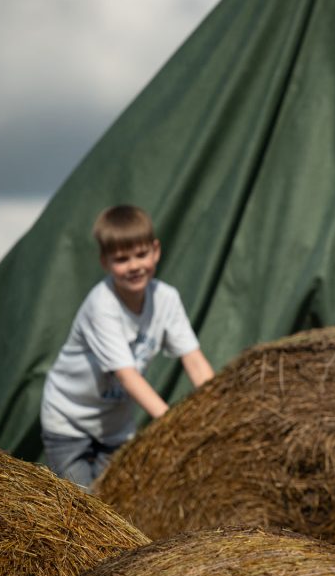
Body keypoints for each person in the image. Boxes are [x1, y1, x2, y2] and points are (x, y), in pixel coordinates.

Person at [40, 205, 214, 489]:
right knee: (80, 505)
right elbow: (127, 376)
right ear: (105, 262)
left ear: (156, 251)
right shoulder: (102, 305)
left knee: (118, 504)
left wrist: (218, 411)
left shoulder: (166, 299)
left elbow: (194, 361)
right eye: (122, 259)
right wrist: (174, 424)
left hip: (116, 429)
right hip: (69, 422)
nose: (134, 266)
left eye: (141, 254)